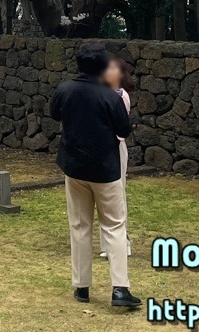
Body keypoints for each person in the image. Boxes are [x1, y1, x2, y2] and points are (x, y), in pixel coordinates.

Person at [50, 43, 140, 311]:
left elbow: (56, 113)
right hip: (105, 169)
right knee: (113, 225)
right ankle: (120, 288)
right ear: (102, 67)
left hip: (74, 166)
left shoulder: (64, 89)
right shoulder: (110, 96)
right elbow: (124, 128)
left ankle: (81, 286)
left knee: (79, 225)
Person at [99, 56, 133, 259]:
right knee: (102, 196)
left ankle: (123, 242)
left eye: (112, 68)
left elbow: (120, 127)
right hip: (102, 149)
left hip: (115, 146)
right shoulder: (101, 93)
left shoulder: (121, 95)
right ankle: (107, 244)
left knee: (116, 194)